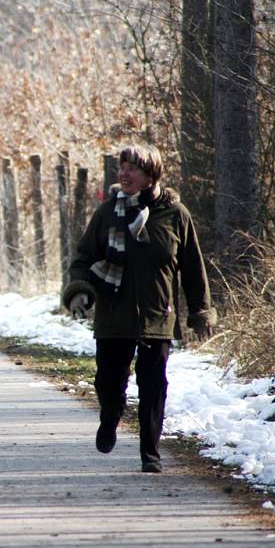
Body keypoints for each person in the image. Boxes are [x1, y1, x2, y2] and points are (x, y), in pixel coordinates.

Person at [62, 143, 216, 474]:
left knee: (153, 386)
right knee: (108, 382)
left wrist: (200, 312)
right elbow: (83, 258)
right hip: (113, 314)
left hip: (157, 315)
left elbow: (192, 269)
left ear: (151, 174)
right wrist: (78, 292)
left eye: (132, 168)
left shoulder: (176, 215)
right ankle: (110, 416)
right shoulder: (107, 213)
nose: (124, 173)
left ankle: (151, 453)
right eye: (122, 167)